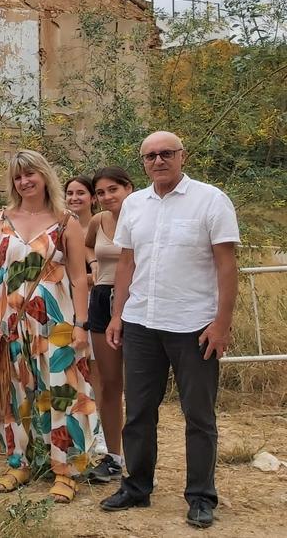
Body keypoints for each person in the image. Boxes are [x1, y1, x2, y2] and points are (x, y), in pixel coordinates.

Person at [99, 132, 239, 530]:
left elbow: (227, 265)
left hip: (194, 326)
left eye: (166, 153)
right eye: (150, 156)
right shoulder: (135, 205)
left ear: (182, 156)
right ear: (142, 162)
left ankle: (200, 496)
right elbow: (127, 263)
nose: (158, 160)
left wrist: (221, 323)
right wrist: (117, 316)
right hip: (142, 323)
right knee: (139, 412)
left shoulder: (211, 200)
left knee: (199, 415)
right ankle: (137, 486)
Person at [0, 149, 95, 502]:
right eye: (17, 176)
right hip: (9, 322)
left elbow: (78, 277)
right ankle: (19, 462)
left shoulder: (66, 221)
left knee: (62, 391)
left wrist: (80, 323)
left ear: (44, 176)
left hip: (55, 323)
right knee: (12, 394)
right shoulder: (2, 219)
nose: (24, 181)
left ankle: (65, 470)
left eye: (30, 173)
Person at [81, 166, 134, 484]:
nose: (106, 197)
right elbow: (89, 245)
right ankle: (114, 457)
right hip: (102, 299)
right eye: (100, 192)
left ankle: (141, 460)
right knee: (110, 383)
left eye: (113, 189)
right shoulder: (99, 220)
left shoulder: (143, 215)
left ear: (128, 188)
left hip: (137, 300)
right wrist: (94, 265)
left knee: (140, 388)